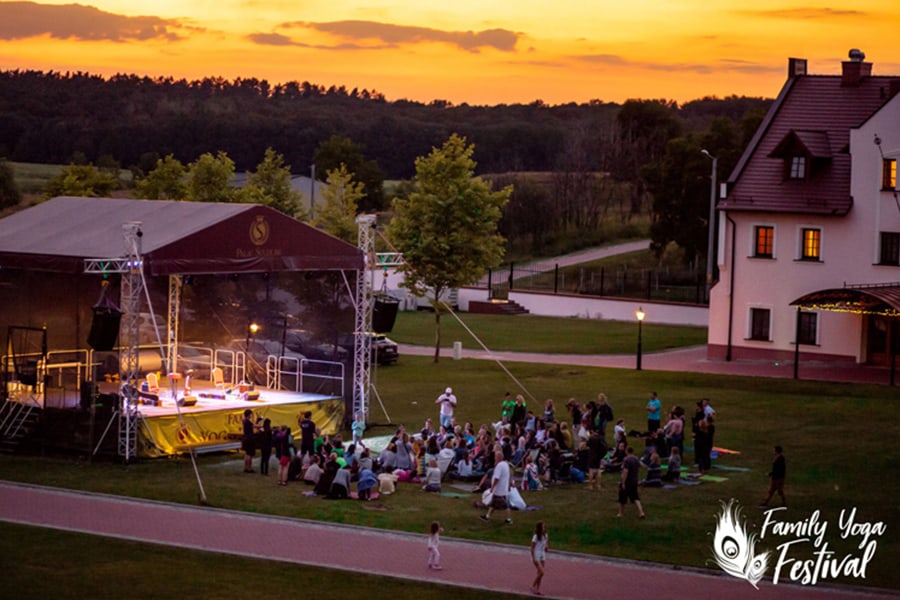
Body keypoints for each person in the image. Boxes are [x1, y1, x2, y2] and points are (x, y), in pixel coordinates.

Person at [480, 450, 513, 524]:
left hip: (499, 489)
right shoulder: (505, 464)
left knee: (505, 505)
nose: (494, 458)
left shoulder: (499, 466)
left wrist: (492, 487)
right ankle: (487, 516)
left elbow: (496, 478)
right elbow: (507, 476)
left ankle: (508, 519)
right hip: (503, 488)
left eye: (495, 456)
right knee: (494, 504)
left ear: (498, 457)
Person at [617, 446, 645, 518]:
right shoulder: (636, 459)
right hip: (634, 480)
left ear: (627, 451)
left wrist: (623, 482)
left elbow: (625, 471)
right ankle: (641, 512)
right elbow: (639, 468)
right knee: (636, 497)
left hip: (628, 481)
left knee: (622, 498)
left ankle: (620, 513)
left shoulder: (627, 460)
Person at [531, 520, 548, 595]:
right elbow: (532, 548)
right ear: (539, 528)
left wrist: (546, 547)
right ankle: (532, 586)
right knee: (542, 572)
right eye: (543, 526)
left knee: (539, 573)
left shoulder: (545, 535)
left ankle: (537, 589)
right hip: (536, 554)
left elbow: (546, 543)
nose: (544, 528)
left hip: (542, 554)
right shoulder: (535, 536)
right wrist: (533, 558)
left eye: (544, 526)